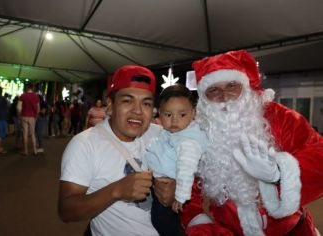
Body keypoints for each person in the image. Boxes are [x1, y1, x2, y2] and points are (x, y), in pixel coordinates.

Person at [172, 50, 323, 236]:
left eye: (232, 86)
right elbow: (189, 192)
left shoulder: (278, 117)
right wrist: (202, 226)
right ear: (204, 98)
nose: (224, 96)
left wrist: (279, 173)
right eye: (213, 90)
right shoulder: (198, 133)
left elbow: (319, 154)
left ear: (245, 87)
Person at [58, 65, 162, 236]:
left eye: (146, 103)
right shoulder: (85, 144)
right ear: (111, 106)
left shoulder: (162, 136)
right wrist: (117, 190)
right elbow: (66, 211)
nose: (137, 111)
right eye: (127, 101)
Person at [142, 84, 207, 236]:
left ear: (193, 114)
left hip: (172, 190)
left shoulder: (189, 141)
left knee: (162, 222)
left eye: (182, 115)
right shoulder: (171, 133)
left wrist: (181, 196)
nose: (175, 120)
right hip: (161, 183)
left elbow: (186, 169)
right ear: (159, 114)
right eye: (168, 115)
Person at [18, 83, 40, 155]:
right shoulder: (36, 96)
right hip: (32, 117)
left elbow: (18, 107)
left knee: (25, 133)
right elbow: (38, 108)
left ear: (27, 87)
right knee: (33, 133)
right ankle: (34, 150)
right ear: (33, 88)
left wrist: (19, 115)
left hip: (24, 116)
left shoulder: (23, 95)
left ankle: (26, 150)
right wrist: (36, 116)